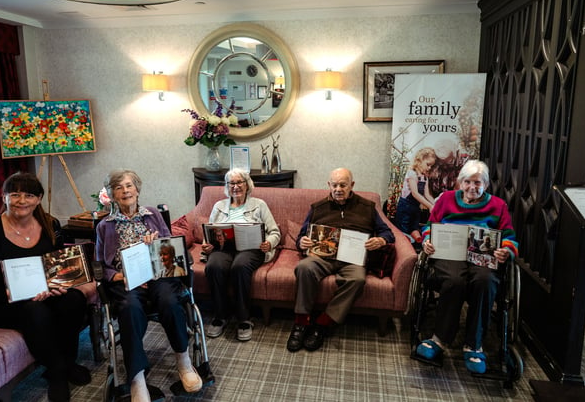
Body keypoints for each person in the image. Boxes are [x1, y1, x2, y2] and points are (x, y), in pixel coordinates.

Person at [0, 172, 90, 402]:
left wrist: (58, 286)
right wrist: (14, 293)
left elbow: (56, 269)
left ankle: (69, 362)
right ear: (3, 197)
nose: (21, 200)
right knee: (35, 310)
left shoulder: (50, 224)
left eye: (28, 195)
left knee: (74, 299)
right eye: (14, 194)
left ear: (38, 198)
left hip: (40, 293)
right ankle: (57, 372)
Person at [96, 169, 202, 401]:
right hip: (126, 281)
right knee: (130, 308)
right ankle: (137, 378)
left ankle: (183, 361)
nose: (125, 191)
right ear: (112, 195)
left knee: (169, 300)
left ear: (137, 189)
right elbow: (101, 265)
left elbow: (171, 249)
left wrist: (156, 247)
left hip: (158, 275)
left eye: (129, 185)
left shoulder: (153, 214)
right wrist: (121, 277)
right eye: (119, 187)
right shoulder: (105, 226)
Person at [414, 160, 518, 374]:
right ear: (460, 182)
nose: (473, 187)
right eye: (468, 182)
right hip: (449, 256)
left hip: (482, 259)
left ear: (486, 185)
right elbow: (429, 227)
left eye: (478, 183)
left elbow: (510, 238)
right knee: (454, 280)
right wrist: (427, 241)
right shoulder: (446, 201)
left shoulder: (498, 206)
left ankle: (474, 345)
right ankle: (440, 339)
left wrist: (505, 250)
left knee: (485, 281)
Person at [288, 167, 395, 352]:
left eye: (343, 185)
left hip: (352, 259)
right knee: (304, 267)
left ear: (351, 185)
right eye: (334, 185)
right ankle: (301, 323)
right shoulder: (317, 207)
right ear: (329, 185)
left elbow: (388, 232)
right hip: (322, 257)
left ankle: (322, 323)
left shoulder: (367, 207)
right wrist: (302, 242)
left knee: (358, 279)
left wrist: (380, 240)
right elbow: (301, 236)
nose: (338, 189)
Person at [201, 168, 280, 342]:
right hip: (224, 248)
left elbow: (274, 231)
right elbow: (210, 232)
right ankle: (220, 316)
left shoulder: (259, 205)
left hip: (251, 249)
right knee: (214, 265)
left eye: (239, 182)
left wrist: (269, 243)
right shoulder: (219, 206)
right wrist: (206, 244)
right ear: (227, 186)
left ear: (247, 184)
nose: (235, 187)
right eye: (232, 183)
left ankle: (243, 319)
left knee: (240, 266)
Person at [395, 147, 437, 244]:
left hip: (415, 208)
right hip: (405, 207)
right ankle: (405, 246)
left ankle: (416, 241)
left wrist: (436, 205)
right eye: (428, 164)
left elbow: (427, 194)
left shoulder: (425, 177)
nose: (429, 168)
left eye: (431, 166)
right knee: (403, 229)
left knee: (414, 227)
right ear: (420, 160)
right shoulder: (412, 174)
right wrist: (430, 206)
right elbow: (415, 194)